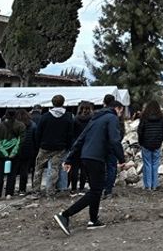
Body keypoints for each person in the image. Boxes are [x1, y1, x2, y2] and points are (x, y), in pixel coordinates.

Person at [52, 100, 122, 235]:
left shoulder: (95, 118)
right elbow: (114, 140)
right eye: (121, 111)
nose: (120, 114)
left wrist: (70, 159)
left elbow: (80, 139)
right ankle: (65, 215)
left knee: (95, 189)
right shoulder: (112, 117)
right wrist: (122, 159)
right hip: (97, 158)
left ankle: (93, 220)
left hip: (86, 157)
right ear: (117, 108)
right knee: (96, 191)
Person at [33, 95, 74, 196]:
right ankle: (50, 191)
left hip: (44, 146)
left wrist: (38, 144)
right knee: (54, 169)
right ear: (63, 103)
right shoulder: (68, 117)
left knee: (39, 168)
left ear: (52, 103)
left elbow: (38, 132)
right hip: (60, 147)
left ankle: (36, 191)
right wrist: (68, 146)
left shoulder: (45, 116)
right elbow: (70, 134)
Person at [0, 110, 27, 199]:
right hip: (14, 155)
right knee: (12, 174)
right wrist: (13, 152)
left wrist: (4, 153)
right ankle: (9, 193)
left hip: (0, 154)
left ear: (5, 115)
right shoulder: (21, 125)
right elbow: (21, 141)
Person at [136, 101, 163, 190]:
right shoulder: (161, 118)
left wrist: (141, 142)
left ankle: (148, 186)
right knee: (155, 164)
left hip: (146, 144)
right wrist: (160, 140)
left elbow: (140, 131)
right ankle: (154, 185)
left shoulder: (144, 117)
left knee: (147, 164)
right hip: (157, 144)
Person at [68, 103, 94, 192]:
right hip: (87, 145)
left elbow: (71, 133)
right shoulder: (92, 120)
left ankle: (73, 188)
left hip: (76, 145)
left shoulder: (75, 119)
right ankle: (82, 187)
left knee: (74, 168)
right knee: (84, 168)